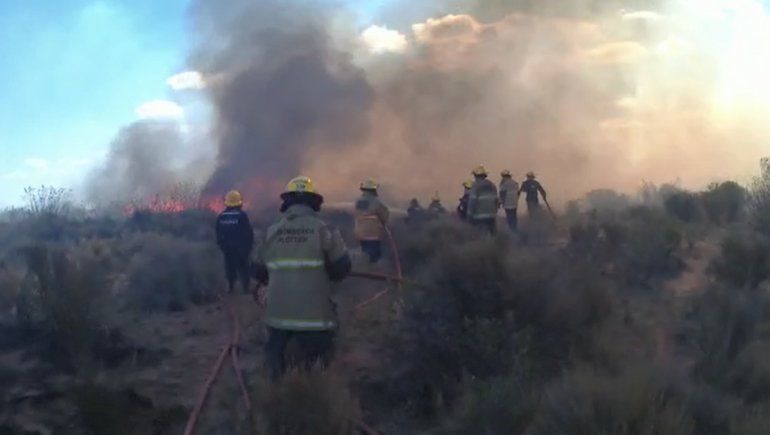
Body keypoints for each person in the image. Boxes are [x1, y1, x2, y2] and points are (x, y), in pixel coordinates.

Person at [251, 176, 351, 379]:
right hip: (316, 319)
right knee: (318, 371)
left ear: (287, 203)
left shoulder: (271, 232)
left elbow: (257, 271)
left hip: (278, 317)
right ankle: (315, 397)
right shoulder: (325, 230)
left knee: (275, 370)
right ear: (314, 202)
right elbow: (342, 268)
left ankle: (274, 399)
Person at [215, 190, 254, 294]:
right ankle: (245, 288)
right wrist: (249, 246)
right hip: (241, 248)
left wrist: (222, 246)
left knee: (229, 267)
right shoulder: (242, 215)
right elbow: (248, 232)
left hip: (228, 249)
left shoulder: (221, 216)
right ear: (239, 202)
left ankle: (231, 287)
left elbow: (218, 234)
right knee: (244, 267)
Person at [354, 178, 390, 263]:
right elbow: (384, 215)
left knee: (365, 253)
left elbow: (356, 215)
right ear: (373, 190)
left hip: (361, 234)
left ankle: (364, 269)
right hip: (373, 234)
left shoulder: (357, 202)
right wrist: (384, 224)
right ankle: (374, 270)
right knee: (374, 257)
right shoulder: (376, 202)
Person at [467, 165, 500, 234]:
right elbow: (497, 201)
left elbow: (472, 202)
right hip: (491, 216)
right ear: (484, 175)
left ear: (475, 176)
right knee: (492, 236)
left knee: (480, 237)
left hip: (479, 217)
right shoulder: (492, 185)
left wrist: (469, 215)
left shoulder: (475, 186)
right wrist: (494, 212)